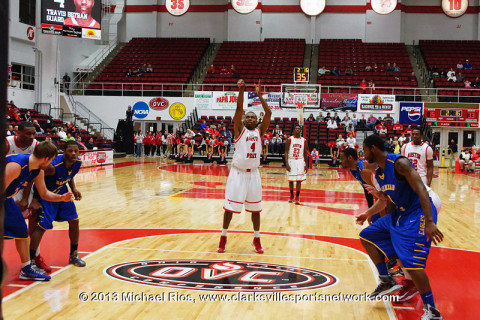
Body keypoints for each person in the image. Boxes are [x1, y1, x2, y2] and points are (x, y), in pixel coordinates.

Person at [358, 135, 444, 319]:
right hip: (401, 214)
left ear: (373, 148)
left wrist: (429, 221)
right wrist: (369, 212)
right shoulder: (380, 173)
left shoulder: (399, 163)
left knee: (412, 265)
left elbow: (422, 190)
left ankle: (433, 311)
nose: (363, 156)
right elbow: (389, 200)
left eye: (364, 150)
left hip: (417, 212)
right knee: (367, 235)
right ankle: (386, 279)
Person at [5, 142, 73, 281]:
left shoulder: (37, 169)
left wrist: (61, 198)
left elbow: (44, 193)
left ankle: (26, 269)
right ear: (46, 158)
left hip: (5, 199)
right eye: (52, 159)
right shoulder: (16, 166)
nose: (52, 163)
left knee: (21, 232)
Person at [217, 79, 271, 254]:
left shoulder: (259, 132)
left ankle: (256, 239)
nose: (249, 118)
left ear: (256, 120)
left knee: (256, 210)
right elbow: (238, 110)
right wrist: (241, 90)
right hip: (238, 173)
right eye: (247, 116)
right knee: (229, 209)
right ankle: (223, 237)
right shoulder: (239, 130)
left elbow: (268, 112)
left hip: (254, 174)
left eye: (252, 117)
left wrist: (259, 95)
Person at [29, 141, 86, 271]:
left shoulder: (77, 163)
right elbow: (34, 178)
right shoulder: (52, 167)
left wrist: (74, 188)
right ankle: (30, 261)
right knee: (43, 226)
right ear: (63, 151)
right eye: (70, 151)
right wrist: (34, 199)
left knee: (74, 221)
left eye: (76, 151)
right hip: (46, 195)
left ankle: (73, 254)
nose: (73, 153)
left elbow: (69, 176)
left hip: (62, 192)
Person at [285, 125, 309, 205]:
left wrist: (306, 164)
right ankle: (291, 195)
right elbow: (286, 152)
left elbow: (305, 153)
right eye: (296, 128)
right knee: (291, 180)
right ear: (294, 130)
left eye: (299, 128)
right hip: (291, 160)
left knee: (299, 180)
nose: (297, 130)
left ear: (301, 130)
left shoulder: (304, 140)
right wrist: (286, 163)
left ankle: (297, 197)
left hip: (300, 160)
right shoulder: (290, 139)